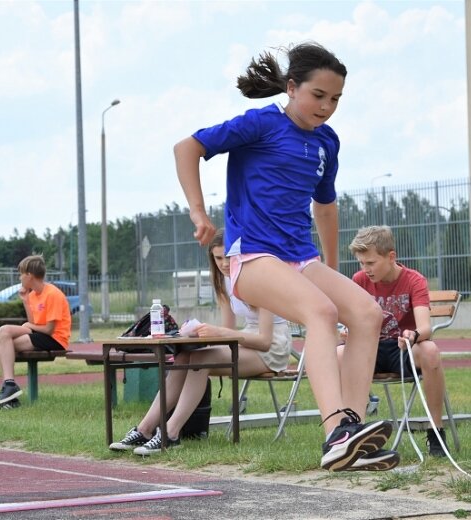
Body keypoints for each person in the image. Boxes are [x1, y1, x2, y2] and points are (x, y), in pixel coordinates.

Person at [173, 42, 397, 472]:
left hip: (300, 257)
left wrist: (330, 267)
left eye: (336, 99)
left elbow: (326, 207)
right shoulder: (261, 124)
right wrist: (199, 212)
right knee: (321, 311)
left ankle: (353, 430)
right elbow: (187, 148)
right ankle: (335, 432)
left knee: (367, 313)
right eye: (319, 96)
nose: (327, 107)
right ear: (292, 88)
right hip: (251, 257)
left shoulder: (327, 142)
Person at [111, 229, 293, 455]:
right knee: (184, 354)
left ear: (242, 255)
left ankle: (172, 432)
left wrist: (219, 333)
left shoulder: (262, 281)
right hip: (246, 342)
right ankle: (145, 428)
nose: (224, 264)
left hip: (272, 348)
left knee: (201, 358)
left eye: (228, 257)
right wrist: (198, 333)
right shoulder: (224, 281)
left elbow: (265, 341)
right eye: (218, 258)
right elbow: (228, 331)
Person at [346, 225, 451, 457]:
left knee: (431, 351)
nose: (366, 269)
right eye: (362, 263)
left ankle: (436, 433)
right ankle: (351, 433)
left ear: (391, 256)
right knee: (337, 354)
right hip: (370, 350)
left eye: (371, 263)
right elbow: (353, 320)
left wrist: (412, 335)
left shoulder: (414, 280)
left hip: (401, 349)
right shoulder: (359, 280)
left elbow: (425, 328)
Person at [0, 255, 71, 408]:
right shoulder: (33, 295)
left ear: (29, 275)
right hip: (40, 335)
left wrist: (29, 325)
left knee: (4, 331)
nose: (20, 277)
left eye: (21, 274)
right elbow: (34, 323)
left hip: (55, 339)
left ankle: (9, 386)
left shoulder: (52, 293)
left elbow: (49, 329)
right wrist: (26, 301)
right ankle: (10, 394)